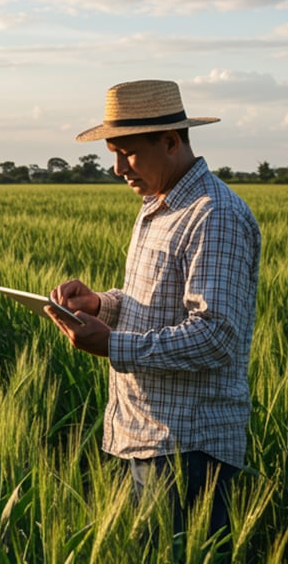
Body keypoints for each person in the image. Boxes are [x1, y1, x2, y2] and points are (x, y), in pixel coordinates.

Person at [44, 79, 261, 539]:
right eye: (113, 153)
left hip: (187, 446)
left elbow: (216, 335)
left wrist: (112, 345)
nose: (119, 167)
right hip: (140, 434)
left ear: (170, 141)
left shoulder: (213, 214)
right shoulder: (157, 205)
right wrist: (102, 305)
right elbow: (153, 304)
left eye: (130, 153)